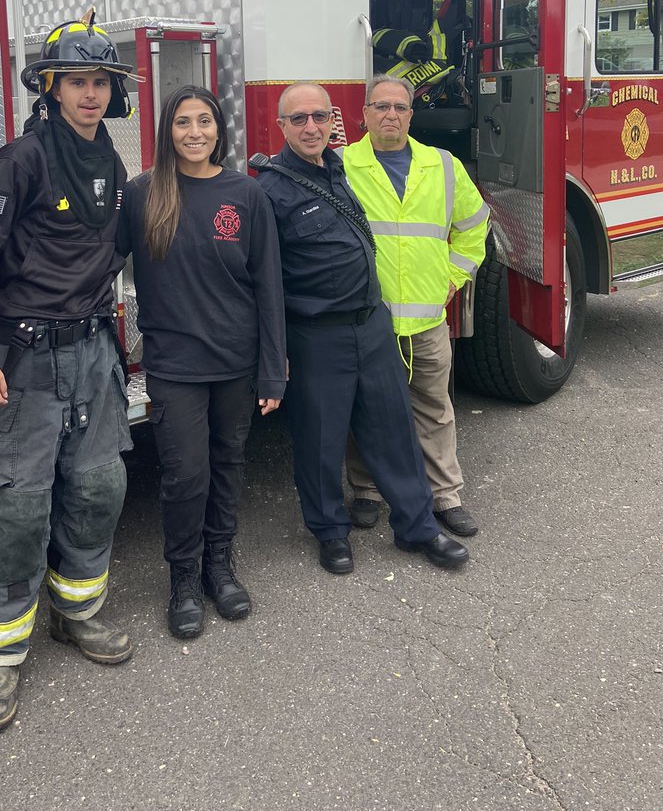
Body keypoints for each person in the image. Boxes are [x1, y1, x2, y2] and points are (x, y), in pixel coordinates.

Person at [0, 15, 139, 733]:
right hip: (23, 361)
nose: (91, 94)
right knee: (17, 507)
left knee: (98, 487)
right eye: (78, 82)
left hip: (91, 354)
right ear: (51, 88)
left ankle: (77, 614)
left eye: (102, 83)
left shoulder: (111, 163)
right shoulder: (22, 159)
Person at [253, 82, 469, 575]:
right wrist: (275, 351)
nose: (311, 127)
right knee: (321, 441)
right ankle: (330, 533)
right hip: (317, 335)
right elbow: (264, 282)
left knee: (394, 430)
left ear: (334, 121)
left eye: (319, 117)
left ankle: (417, 527)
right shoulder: (267, 190)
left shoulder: (342, 169)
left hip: (373, 324)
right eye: (299, 119)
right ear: (281, 126)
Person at [118, 85, 286, 639]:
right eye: (184, 122)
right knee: (185, 476)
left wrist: (273, 368)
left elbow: (268, 287)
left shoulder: (246, 195)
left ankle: (220, 566)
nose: (195, 132)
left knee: (227, 466)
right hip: (175, 366)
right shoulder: (143, 195)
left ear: (220, 129)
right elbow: (93, 258)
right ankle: (184, 579)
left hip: (236, 363)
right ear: (168, 131)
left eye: (205, 122)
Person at [342, 75, 489, 536]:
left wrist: (453, 277)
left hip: (426, 319)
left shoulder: (442, 166)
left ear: (411, 113)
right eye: (381, 107)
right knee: (364, 407)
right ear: (364, 114)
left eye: (400, 107)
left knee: (434, 408)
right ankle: (365, 489)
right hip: (369, 318)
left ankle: (445, 495)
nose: (391, 115)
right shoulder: (341, 166)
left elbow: (474, 224)